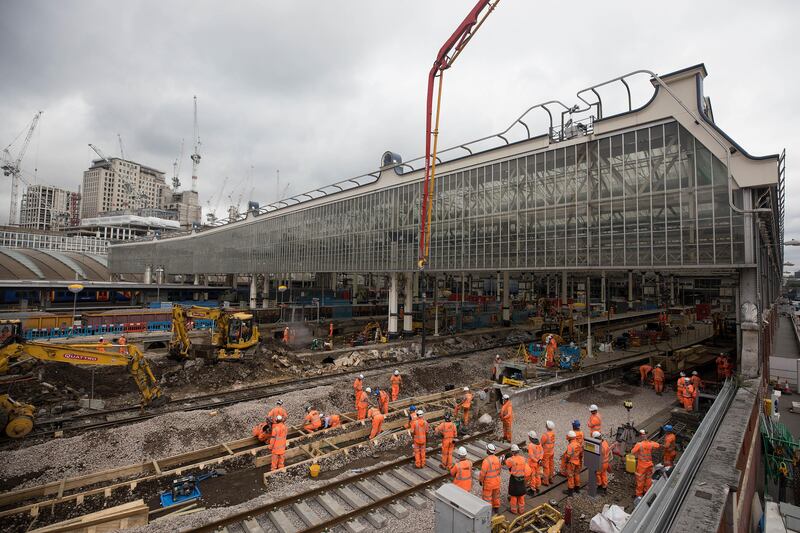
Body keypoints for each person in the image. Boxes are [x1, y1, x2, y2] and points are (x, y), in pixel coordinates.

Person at [631, 429, 661, 497]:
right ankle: (647, 492)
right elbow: (658, 445)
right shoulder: (651, 443)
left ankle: (639, 494)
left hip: (641, 466)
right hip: (649, 465)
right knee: (648, 479)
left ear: (640, 436)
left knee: (640, 480)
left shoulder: (639, 445)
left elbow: (632, 452)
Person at [505, 444, 528, 515]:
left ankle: (514, 510)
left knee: (514, 495)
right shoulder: (523, 459)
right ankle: (521, 510)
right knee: (521, 494)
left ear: (512, 452)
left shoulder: (511, 460)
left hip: (514, 479)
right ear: (518, 451)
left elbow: (507, 465)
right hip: (522, 479)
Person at [480, 443, 502, 513]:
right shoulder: (497, 459)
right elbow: (499, 471)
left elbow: (483, 474)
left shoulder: (486, 461)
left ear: (488, 451)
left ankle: (487, 510)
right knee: (496, 496)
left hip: (489, 483)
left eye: (487, 449)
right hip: (496, 482)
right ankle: (496, 508)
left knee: (487, 498)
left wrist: (481, 481)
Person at [562, 430, 582, 495]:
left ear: (569, 438)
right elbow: (581, 453)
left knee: (570, 476)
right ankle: (577, 488)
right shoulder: (578, 444)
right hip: (577, 462)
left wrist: (566, 461)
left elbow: (568, 456)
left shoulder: (570, 446)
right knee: (577, 474)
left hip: (571, 463)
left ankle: (570, 491)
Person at [541, 420, 556, 486]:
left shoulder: (545, 435)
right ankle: (551, 478)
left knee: (546, 467)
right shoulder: (553, 434)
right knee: (551, 465)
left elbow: (541, 444)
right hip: (551, 451)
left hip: (546, 453)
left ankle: (545, 481)